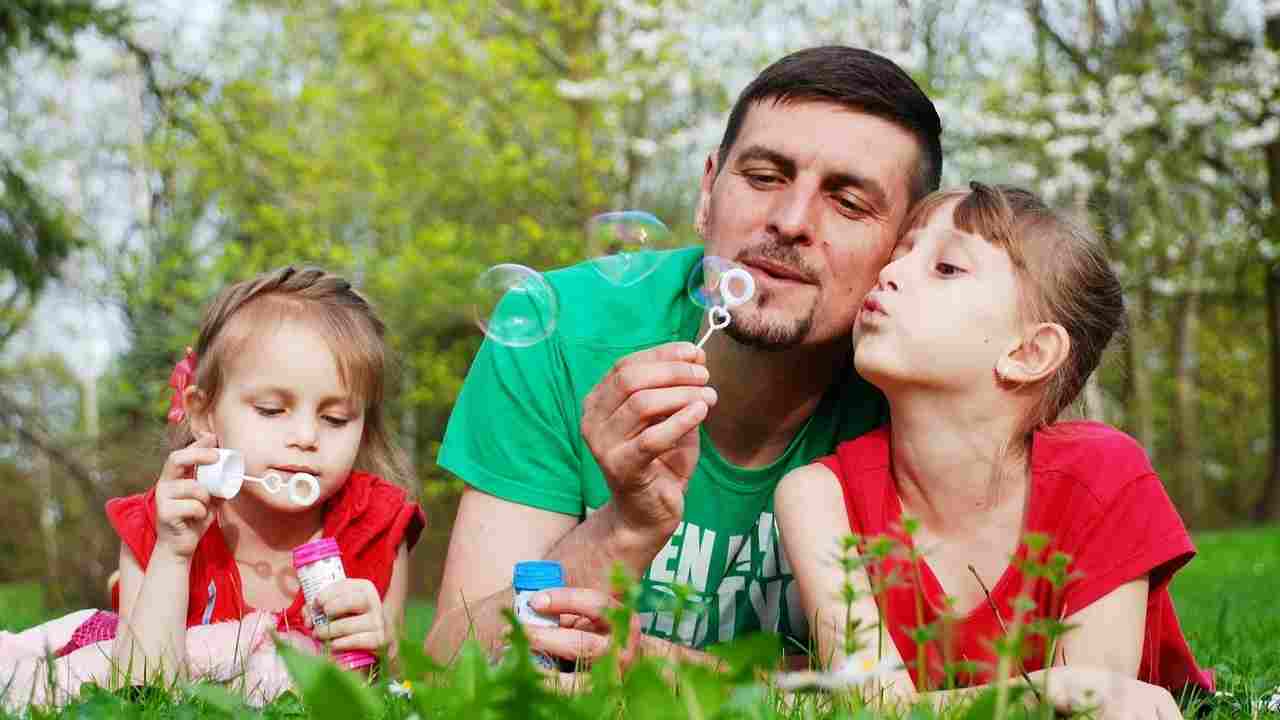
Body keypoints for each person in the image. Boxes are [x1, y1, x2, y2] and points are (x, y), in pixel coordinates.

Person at [426, 45, 943, 669]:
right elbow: (448, 663)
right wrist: (626, 527)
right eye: (763, 177)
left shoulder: (922, 388)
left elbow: (926, 691)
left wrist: (670, 675)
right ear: (707, 190)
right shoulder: (553, 328)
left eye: (848, 202)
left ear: (904, 249)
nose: (789, 220)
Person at [774, 183, 1212, 719]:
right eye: (901, 252)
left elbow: (1102, 704)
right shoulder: (817, 496)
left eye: (946, 268)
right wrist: (1049, 688)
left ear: (1030, 352)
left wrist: (1071, 692)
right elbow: (873, 706)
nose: (889, 272)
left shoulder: (1104, 476)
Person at [0, 266, 426, 707]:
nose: (306, 437)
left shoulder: (376, 526)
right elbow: (140, 688)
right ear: (203, 413)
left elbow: (393, 695)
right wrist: (172, 553)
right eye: (271, 409)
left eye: (336, 418)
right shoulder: (160, 523)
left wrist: (383, 648)